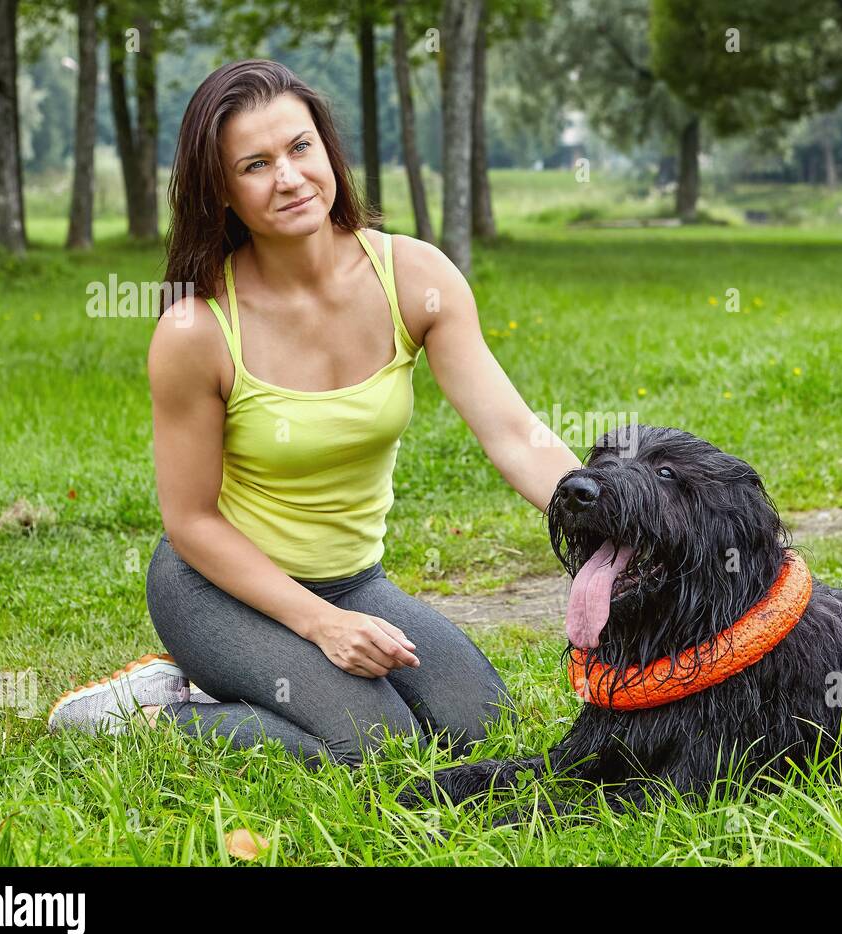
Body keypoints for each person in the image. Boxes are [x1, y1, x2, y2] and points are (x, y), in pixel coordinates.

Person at [46, 59, 582, 769]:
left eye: (300, 148)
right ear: (223, 192)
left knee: (480, 730)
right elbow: (191, 522)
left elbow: (514, 434)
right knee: (378, 751)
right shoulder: (197, 329)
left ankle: (257, 689)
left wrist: (608, 519)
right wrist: (323, 626)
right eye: (255, 164)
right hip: (217, 587)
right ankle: (155, 713)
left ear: (328, 150)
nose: (290, 177)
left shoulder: (416, 279)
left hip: (353, 579)